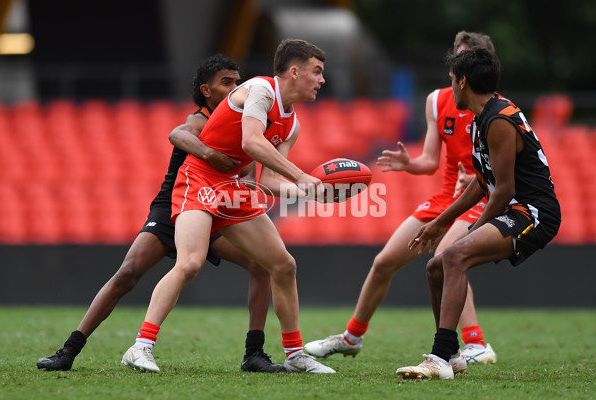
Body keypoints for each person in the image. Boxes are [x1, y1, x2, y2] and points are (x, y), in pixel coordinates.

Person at [37, 55, 284, 373]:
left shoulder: (245, 125)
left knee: (262, 264)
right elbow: (177, 134)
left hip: (216, 209)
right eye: (228, 82)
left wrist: (248, 183)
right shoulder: (201, 120)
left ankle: (254, 353)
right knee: (127, 275)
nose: (237, 88)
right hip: (174, 208)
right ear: (206, 91)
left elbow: (250, 172)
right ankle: (68, 350)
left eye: (238, 82)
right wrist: (209, 152)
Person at [120, 39, 335, 374]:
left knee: (283, 265)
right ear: (294, 72)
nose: (322, 80)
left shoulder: (291, 123)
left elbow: (270, 180)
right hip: (199, 179)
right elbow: (251, 141)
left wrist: (311, 192)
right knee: (190, 263)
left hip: (231, 186)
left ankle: (295, 354)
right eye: (317, 71)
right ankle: (140, 347)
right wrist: (302, 176)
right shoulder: (260, 90)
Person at [304, 31, 499, 368]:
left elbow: (505, 168)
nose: (462, 66)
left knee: (448, 257)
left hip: (479, 200)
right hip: (445, 198)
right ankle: (352, 337)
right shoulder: (437, 101)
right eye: (460, 57)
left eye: (471, 57)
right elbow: (430, 160)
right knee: (384, 262)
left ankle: (475, 343)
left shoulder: (494, 108)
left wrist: (482, 176)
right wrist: (410, 164)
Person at [396, 47, 561, 380]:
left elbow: (504, 189)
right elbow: (480, 182)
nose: (450, 88)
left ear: (463, 82)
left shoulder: (499, 119)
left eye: (451, 81)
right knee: (435, 268)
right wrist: (439, 224)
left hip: (533, 213)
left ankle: (440, 358)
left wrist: (470, 231)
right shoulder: (482, 117)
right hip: (513, 208)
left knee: (455, 256)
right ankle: (454, 355)